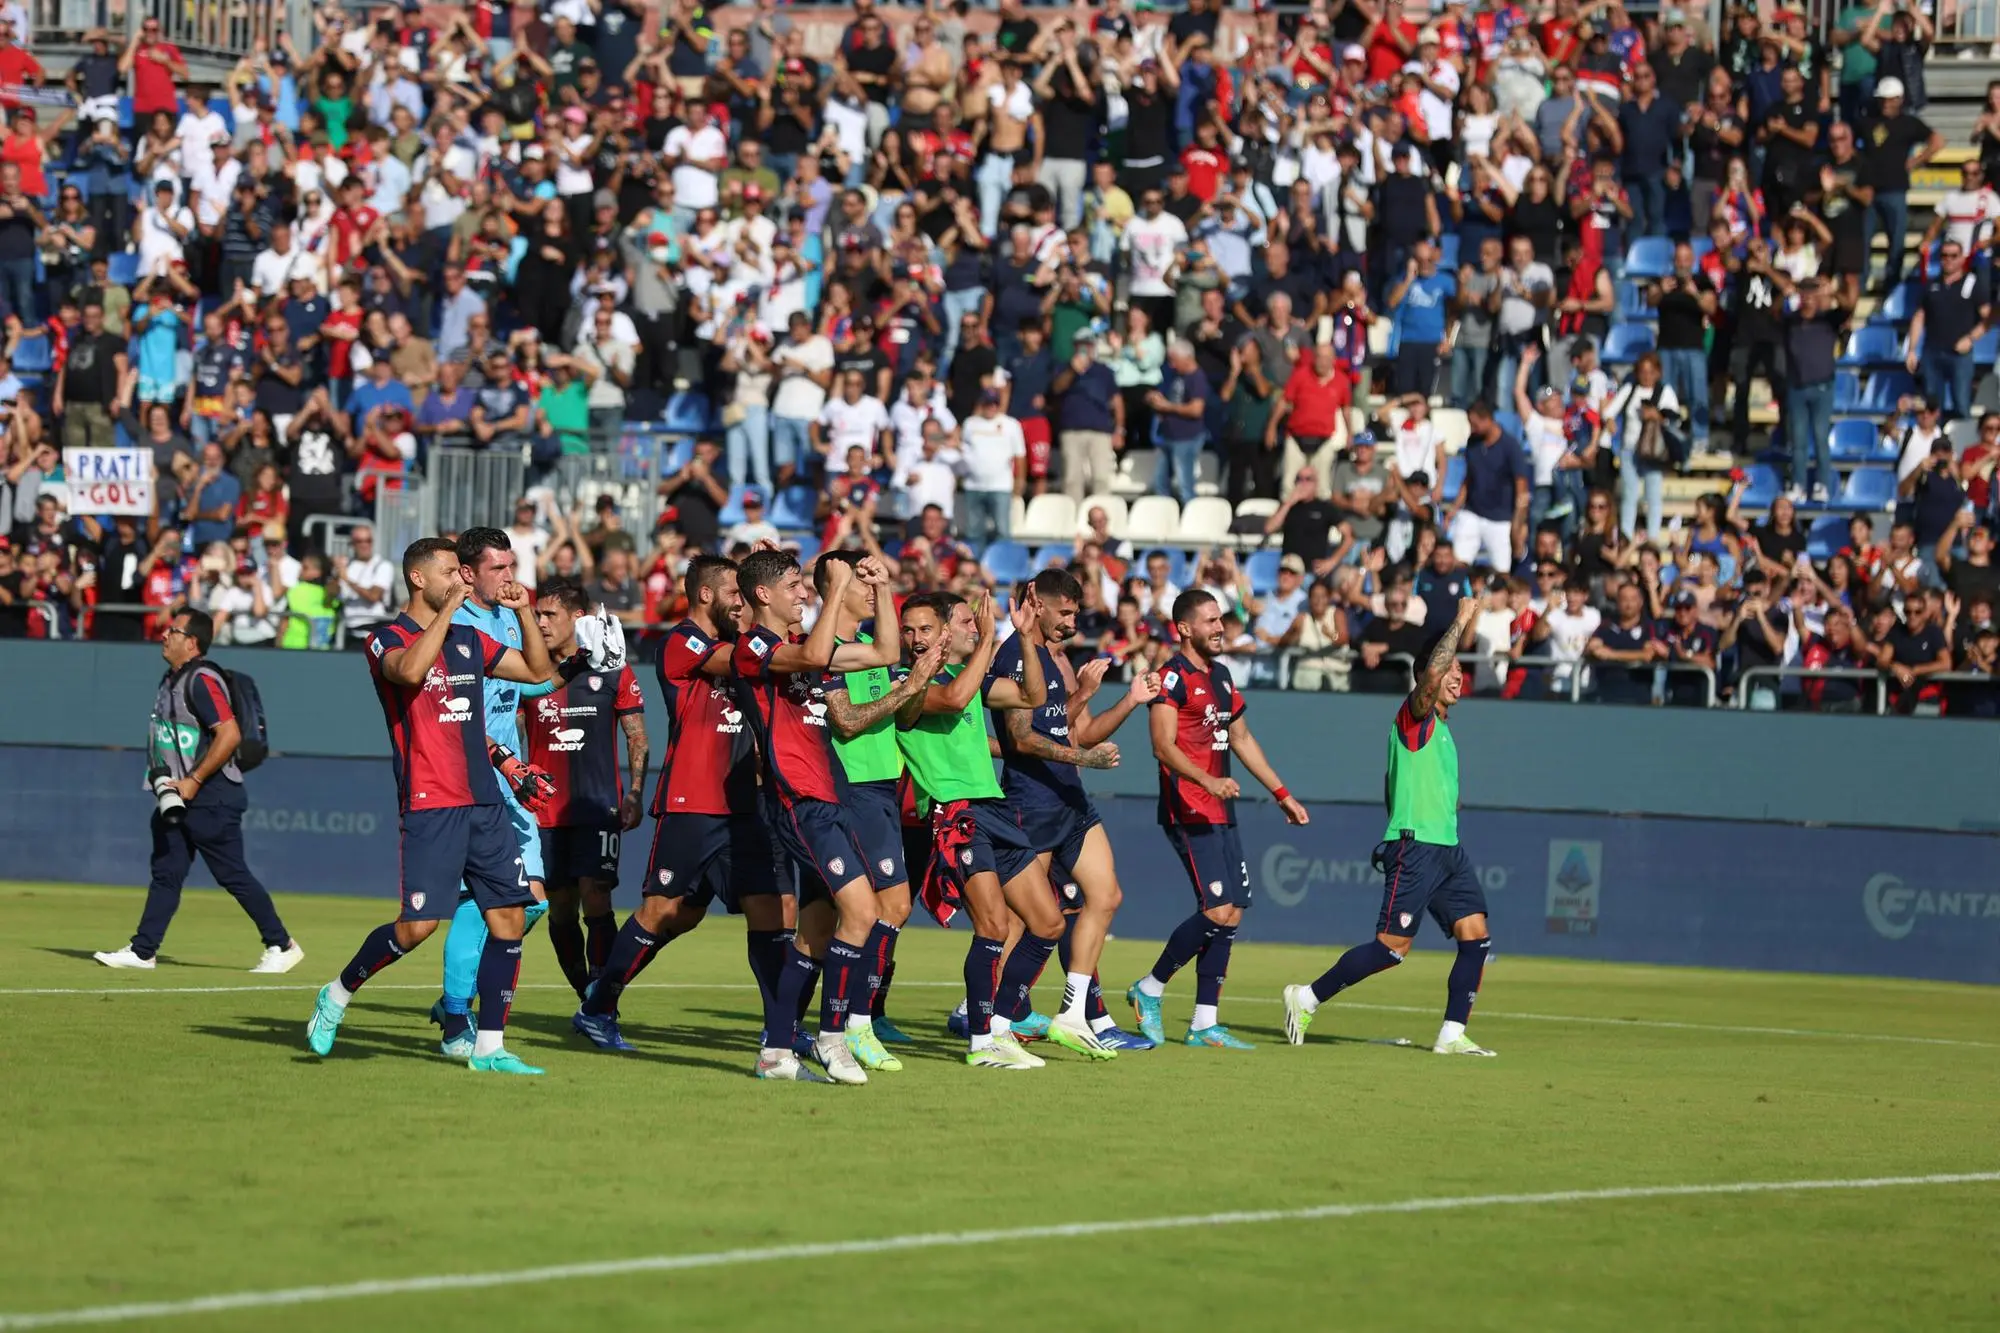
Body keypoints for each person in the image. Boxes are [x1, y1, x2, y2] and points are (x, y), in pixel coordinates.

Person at [305, 537, 555, 1076]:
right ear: (419, 579)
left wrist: (526, 613)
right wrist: (445, 614)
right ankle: (338, 992)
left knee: (510, 917)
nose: (460, 578)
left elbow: (539, 674)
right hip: (430, 801)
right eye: (449, 571)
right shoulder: (384, 637)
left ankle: (489, 1047)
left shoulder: (469, 638)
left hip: (484, 801)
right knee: (417, 927)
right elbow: (409, 672)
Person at [570, 557, 785, 1056]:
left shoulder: (744, 642)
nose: (741, 600)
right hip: (693, 802)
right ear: (707, 595)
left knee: (769, 912)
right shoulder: (681, 642)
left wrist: (763, 587)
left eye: (745, 591)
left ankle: (782, 1028)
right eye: (735, 591)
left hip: (744, 807)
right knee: (662, 912)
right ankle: (597, 1007)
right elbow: (741, 661)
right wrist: (763, 602)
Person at [1283, 597, 1496, 1056]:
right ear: (1429, 679)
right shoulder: (1414, 717)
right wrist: (1459, 619)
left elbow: (1390, 784)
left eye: (1462, 669)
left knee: (1475, 938)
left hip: (1448, 851)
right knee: (1391, 949)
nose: (1458, 676)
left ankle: (1451, 1035)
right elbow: (1432, 676)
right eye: (1451, 669)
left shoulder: (1442, 731)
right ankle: (1307, 997)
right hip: (1417, 848)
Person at [735, 549, 903, 1084]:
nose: (803, 593)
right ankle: (833, 1040)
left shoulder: (803, 649)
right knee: (861, 912)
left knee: (815, 935)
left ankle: (777, 1051)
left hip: (828, 799)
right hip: (797, 801)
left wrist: (882, 589)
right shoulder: (755, 646)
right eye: (793, 585)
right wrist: (836, 587)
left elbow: (885, 650)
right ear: (763, 595)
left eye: (806, 586)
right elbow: (811, 657)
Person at [986, 568, 1159, 1053]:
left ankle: (1073, 1013)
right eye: (1064, 612)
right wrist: (1085, 759)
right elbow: (1020, 737)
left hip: (1070, 803)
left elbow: (1074, 733)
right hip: (1031, 805)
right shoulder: (1015, 655)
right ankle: (985, 1017)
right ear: (1035, 603)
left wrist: (1124, 700)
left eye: (1075, 613)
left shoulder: (1052, 659)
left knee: (1106, 896)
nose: (1070, 622)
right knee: (1019, 922)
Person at [1127, 589, 1308, 1049]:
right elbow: (1161, 745)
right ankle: (1149, 989)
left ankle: (1204, 1023)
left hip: (1220, 809)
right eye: (1209, 621)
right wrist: (1206, 782)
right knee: (1214, 909)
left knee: (1231, 915)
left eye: (1220, 619)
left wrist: (1281, 792)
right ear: (1184, 628)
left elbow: (1242, 739)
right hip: (1187, 807)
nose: (1219, 627)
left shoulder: (1223, 676)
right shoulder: (1171, 678)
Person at [895, 588, 1065, 1071]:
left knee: (1048, 923)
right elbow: (950, 698)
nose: (914, 638)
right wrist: (993, 640)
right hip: (955, 814)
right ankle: (980, 1040)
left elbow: (1034, 696)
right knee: (991, 926)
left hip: (995, 809)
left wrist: (1025, 637)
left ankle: (1001, 1028)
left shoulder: (968, 677)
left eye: (924, 629)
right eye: (966, 622)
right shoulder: (909, 683)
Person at [93, 609, 302, 973]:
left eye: (173, 630)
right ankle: (144, 951)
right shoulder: (171, 678)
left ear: (191, 642)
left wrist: (194, 781)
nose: (164, 634)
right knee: (166, 871)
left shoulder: (202, 679)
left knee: (232, 873)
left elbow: (229, 734)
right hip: (177, 795)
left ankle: (281, 944)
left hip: (211, 795)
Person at [426, 528, 565, 1058]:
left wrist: (580, 658)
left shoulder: (505, 616)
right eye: (499, 568)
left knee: (528, 904)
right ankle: (458, 1017)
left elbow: (534, 679)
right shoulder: (454, 625)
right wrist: (505, 760)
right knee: (482, 904)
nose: (511, 576)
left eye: (512, 565)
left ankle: (456, 1002)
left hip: (511, 782)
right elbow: (454, 718)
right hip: (471, 778)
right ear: (467, 573)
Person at [816, 549, 945, 1053]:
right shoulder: (823, 650)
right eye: (863, 582)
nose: (871, 591)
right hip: (848, 788)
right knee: (880, 907)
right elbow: (845, 720)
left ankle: (852, 1021)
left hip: (883, 790)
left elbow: (905, 716)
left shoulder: (872, 646)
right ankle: (854, 1024)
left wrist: (917, 680)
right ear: (836, 586)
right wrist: (908, 685)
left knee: (862, 914)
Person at [526, 579, 647, 1000]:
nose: (540, 622)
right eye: (537, 614)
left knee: (596, 896)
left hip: (598, 808)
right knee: (559, 907)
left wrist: (634, 793)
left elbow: (637, 736)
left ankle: (602, 998)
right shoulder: (530, 671)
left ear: (577, 618)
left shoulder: (612, 668)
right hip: (545, 812)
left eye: (548, 615)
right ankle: (585, 993)